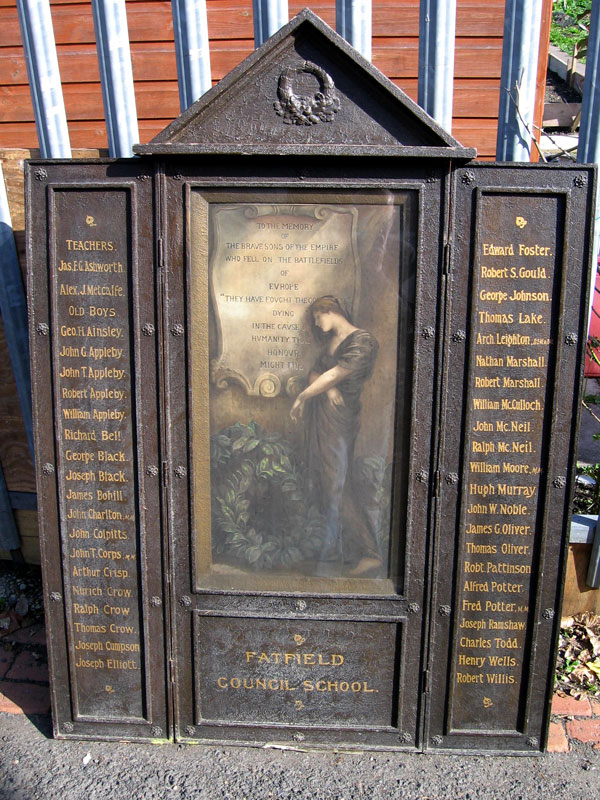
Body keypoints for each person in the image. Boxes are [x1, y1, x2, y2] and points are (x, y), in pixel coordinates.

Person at [290, 296, 382, 577]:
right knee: (326, 481)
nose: (317, 323)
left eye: (318, 317)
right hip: (324, 416)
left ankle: (369, 552)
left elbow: (336, 373)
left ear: (329, 312)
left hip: (340, 420)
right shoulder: (331, 343)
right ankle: (338, 551)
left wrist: (304, 396)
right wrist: (326, 390)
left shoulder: (362, 341)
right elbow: (317, 373)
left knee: (337, 484)